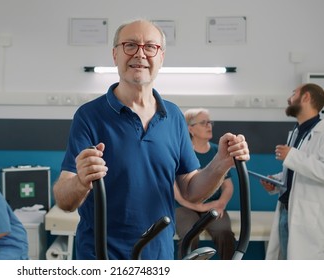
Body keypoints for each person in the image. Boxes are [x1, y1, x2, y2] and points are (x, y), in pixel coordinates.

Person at [53, 19, 250, 260]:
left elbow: (190, 191)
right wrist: (81, 181)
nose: (140, 53)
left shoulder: (174, 116)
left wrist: (221, 163)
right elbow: (64, 200)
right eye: (130, 45)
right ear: (115, 55)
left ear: (161, 57)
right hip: (100, 256)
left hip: (158, 256)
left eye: (150, 47)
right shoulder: (90, 116)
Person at [259, 83, 324, 260]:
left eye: (294, 93)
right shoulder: (297, 131)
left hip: (309, 217)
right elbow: (296, 173)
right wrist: (276, 181)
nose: (289, 99)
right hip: (287, 212)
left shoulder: (322, 131)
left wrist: (292, 155)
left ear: (306, 97)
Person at [173, 108, 235, 260]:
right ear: (190, 129)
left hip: (214, 206)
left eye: (210, 122)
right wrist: (200, 207)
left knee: (224, 233)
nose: (209, 126)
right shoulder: (180, 151)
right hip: (184, 207)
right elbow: (177, 195)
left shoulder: (218, 151)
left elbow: (228, 186)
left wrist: (220, 203)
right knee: (189, 235)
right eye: (203, 123)